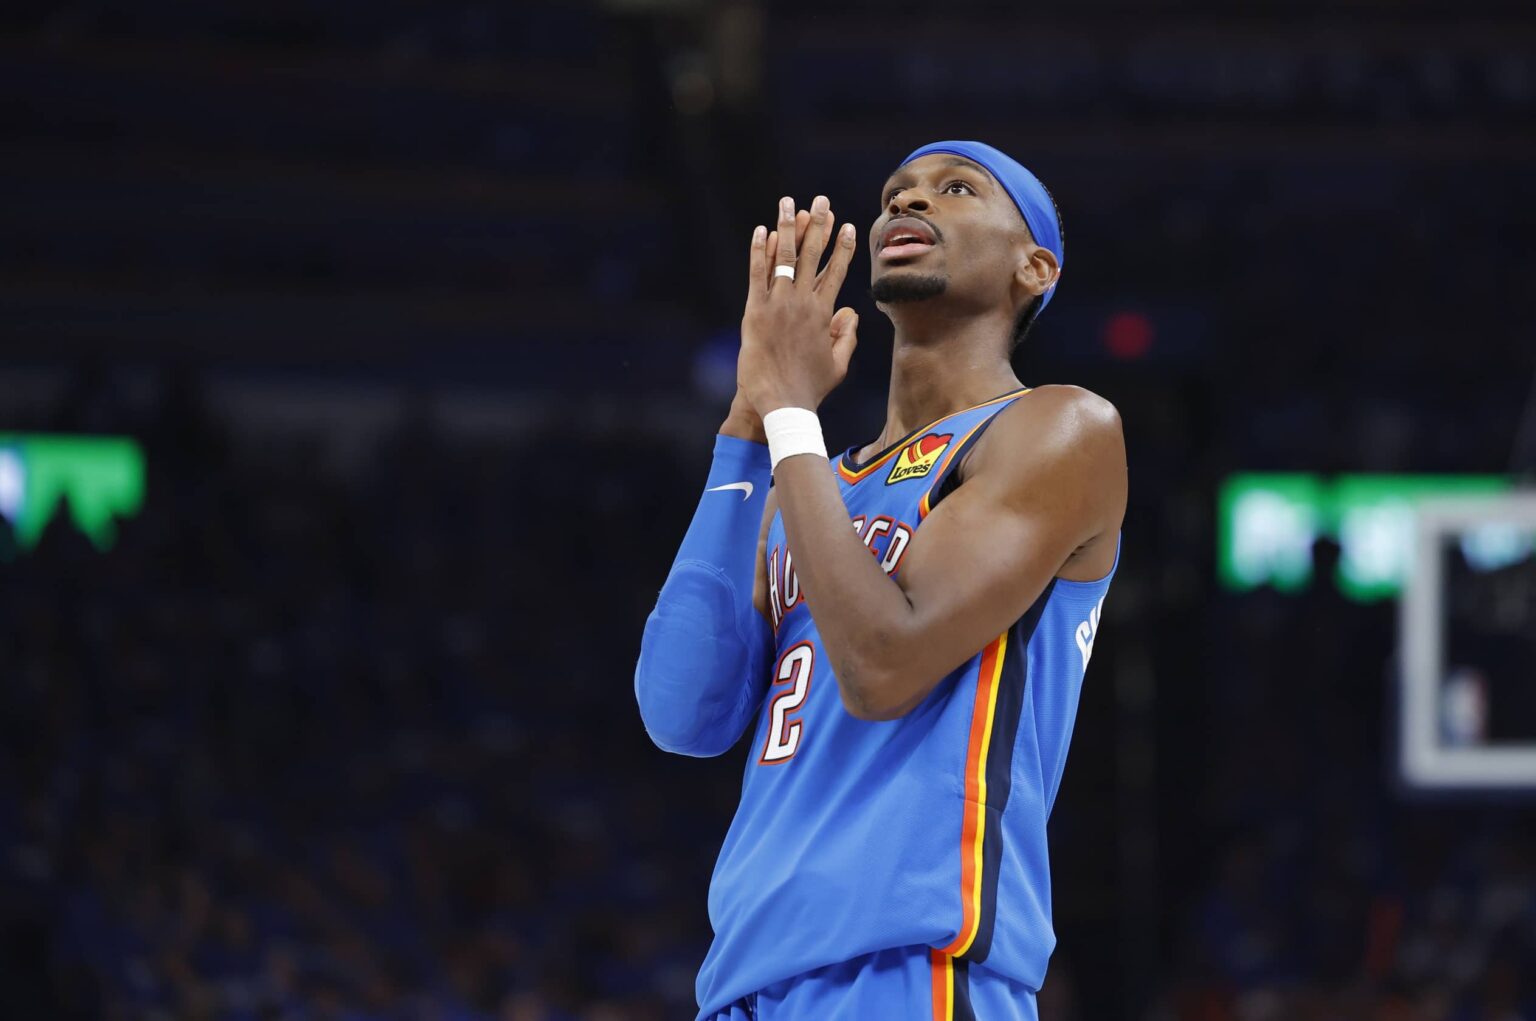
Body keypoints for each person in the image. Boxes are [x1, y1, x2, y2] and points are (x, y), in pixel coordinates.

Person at [635, 140, 1127, 1020]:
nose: (910, 203)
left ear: (1034, 266)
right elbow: (683, 714)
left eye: (956, 189)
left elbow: (885, 664)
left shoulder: (1058, 427)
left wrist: (790, 414)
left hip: (910, 971)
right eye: (896, 193)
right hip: (745, 979)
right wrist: (752, 419)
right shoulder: (811, 475)